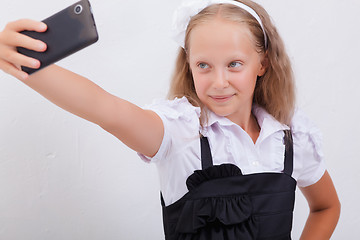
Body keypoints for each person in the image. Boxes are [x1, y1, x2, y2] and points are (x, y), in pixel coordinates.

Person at [0, 0, 340, 239]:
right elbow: (106, 109)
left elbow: (326, 207)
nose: (219, 81)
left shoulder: (291, 137)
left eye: (234, 64)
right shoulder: (179, 132)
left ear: (262, 64)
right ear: (189, 66)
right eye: (204, 65)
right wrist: (23, 61)